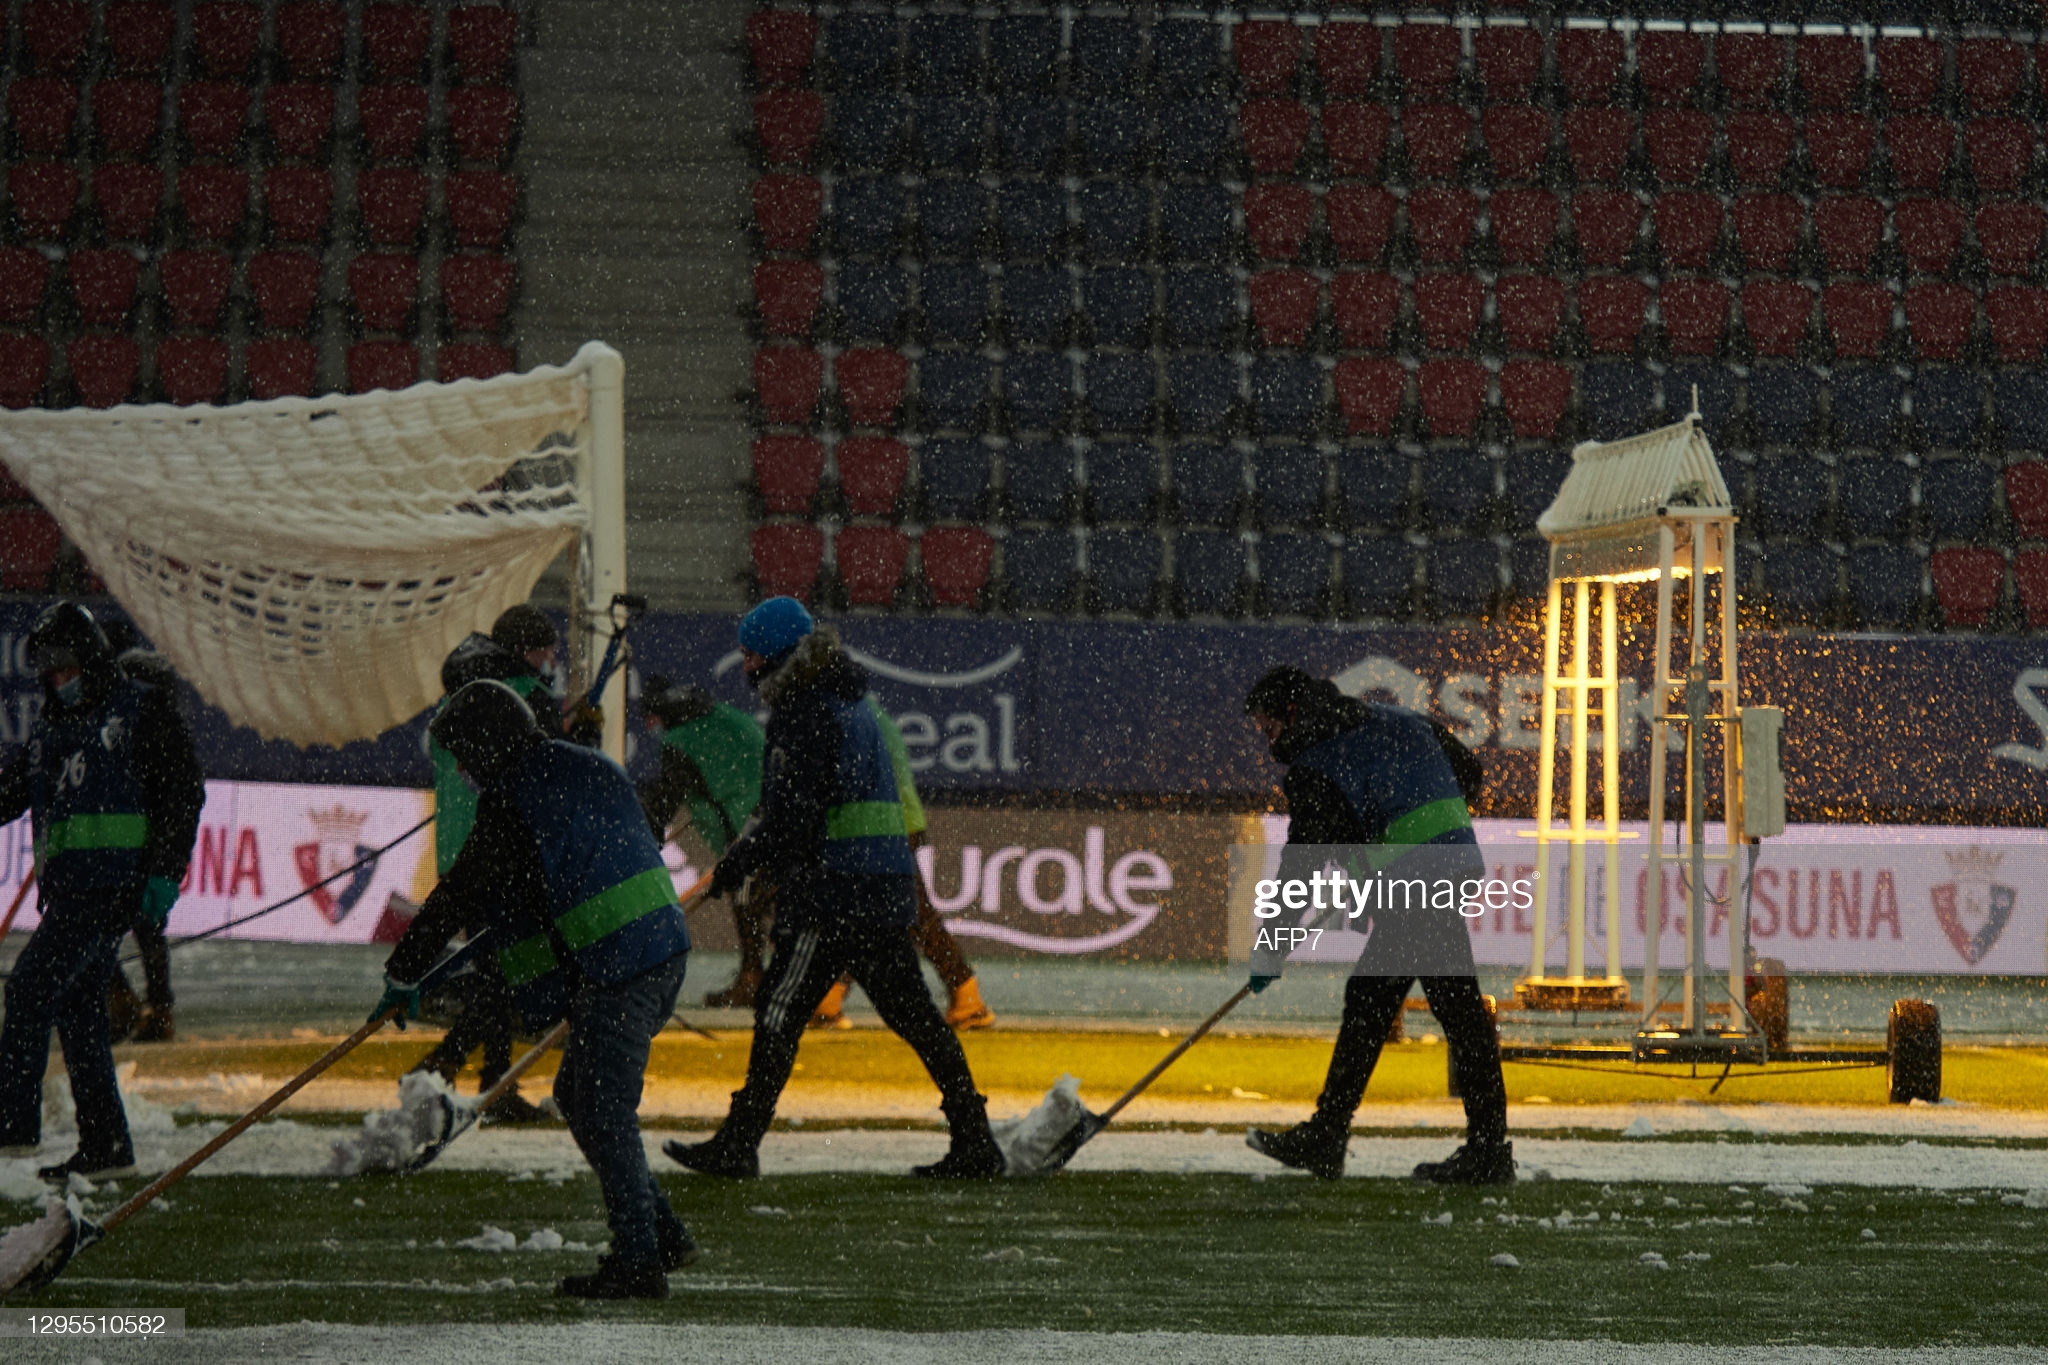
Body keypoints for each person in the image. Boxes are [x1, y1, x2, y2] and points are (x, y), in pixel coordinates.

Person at [662, 598, 1003, 1181]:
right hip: (880, 884)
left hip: (833, 893)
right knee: (916, 1018)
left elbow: (794, 815)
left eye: (751, 657)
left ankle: (738, 1144)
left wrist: (739, 864)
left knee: (777, 1013)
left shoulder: (803, 713)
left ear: (778, 658)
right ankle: (976, 1140)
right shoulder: (853, 702)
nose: (745, 669)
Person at [380, 679, 694, 1299]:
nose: (465, 773)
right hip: (658, 950)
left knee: (603, 1109)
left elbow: (462, 894)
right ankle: (661, 1234)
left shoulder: (515, 799)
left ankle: (639, 1262)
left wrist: (403, 972)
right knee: (579, 1096)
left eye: (467, 758)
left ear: (491, 747)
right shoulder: (588, 766)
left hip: (619, 965)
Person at [1240, 665, 1513, 1186]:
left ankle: (1336, 1136)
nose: (1266, 737)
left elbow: (1302, 865)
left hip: (1417, 879)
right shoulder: (1403, 719)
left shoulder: (1318, 764)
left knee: (1406, 1004)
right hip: (1449, 865)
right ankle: (1480, 1148)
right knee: (1407, 1004)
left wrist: (1271, 948)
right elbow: (1470, 776)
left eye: (1268, 726)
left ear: (1292, 714)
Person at [0, 602, 203, 1182]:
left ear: (90, 657)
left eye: (67, 667)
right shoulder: (50, 729)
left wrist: (166, 871)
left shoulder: (139, 710)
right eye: (49, 672)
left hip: (112, 888)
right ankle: (107, 1144)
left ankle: (11, 1126)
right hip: (69, 893)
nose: (58, 680)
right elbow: (11, 794)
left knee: (32, 988)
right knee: (79, 1008)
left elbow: (182, 792)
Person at [810, 696, 995, 1032]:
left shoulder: (841, 716)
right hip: (888, 822)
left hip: (875, 824)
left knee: (893, 914)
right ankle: (829, 1000)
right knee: (876, 915)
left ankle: (967, 997)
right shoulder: (859, 710)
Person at [635, 675, 768, 1008]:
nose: (649, 726)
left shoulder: (681, 740)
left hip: (751, 824)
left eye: (649, 718)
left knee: (747, 900)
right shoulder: (715, 717)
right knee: (764, 901)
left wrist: (640, 848)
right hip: (768, 812)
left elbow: (666, 800)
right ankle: (761, 977)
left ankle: (754, 979)